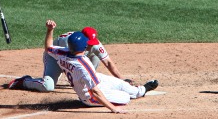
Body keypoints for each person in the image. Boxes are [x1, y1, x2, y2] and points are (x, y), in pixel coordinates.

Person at [29, 20, 158, 113]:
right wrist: (114, 109)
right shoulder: (83, 65)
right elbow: (95, 92)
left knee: (123, 84)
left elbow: (48, 47)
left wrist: (50, 30)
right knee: (125, 97)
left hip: (94, 80)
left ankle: (143, 89)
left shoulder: (63, 52)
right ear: (84, 47)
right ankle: (135, 93)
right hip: (90, 97)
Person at [8, 26, 130, 92]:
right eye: (90, 42)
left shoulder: (95, 44)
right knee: (48, 86)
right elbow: (69, 66)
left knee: (95, 57)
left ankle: (88, 81)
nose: (92, 45)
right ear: (82, 39)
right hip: (54, 57)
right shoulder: (69, 44)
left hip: (75, 57)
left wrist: (122, 80)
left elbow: (108, 62)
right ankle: (25, 81)